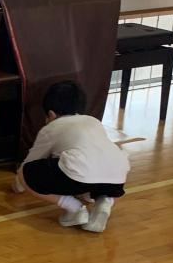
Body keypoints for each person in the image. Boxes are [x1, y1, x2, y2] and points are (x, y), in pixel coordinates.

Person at [11, 81, 130, 233]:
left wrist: (19, 184)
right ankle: (104, 203)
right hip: (117, 177)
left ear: (51, 114)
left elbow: (31, 161)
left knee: (25, 172)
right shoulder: (93, 121)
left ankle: (75, 209)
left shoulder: (51, 127)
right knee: (92, 174)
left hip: (82, 175)